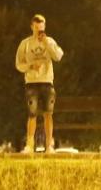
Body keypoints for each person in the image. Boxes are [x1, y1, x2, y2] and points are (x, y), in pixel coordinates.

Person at [15, 14, 64, 154]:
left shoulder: (50, 41)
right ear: (32, 27)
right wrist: (30, 66)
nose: (39, 31)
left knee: (48, 113)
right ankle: (29, 145)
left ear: (45, 27)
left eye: (41, 28)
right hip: (31, 82)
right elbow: (18, 64)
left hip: (47, 81)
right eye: (36, 28)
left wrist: (47, 43)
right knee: (32, 114)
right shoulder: (25, 44)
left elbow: (58, 56)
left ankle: (49, 145)